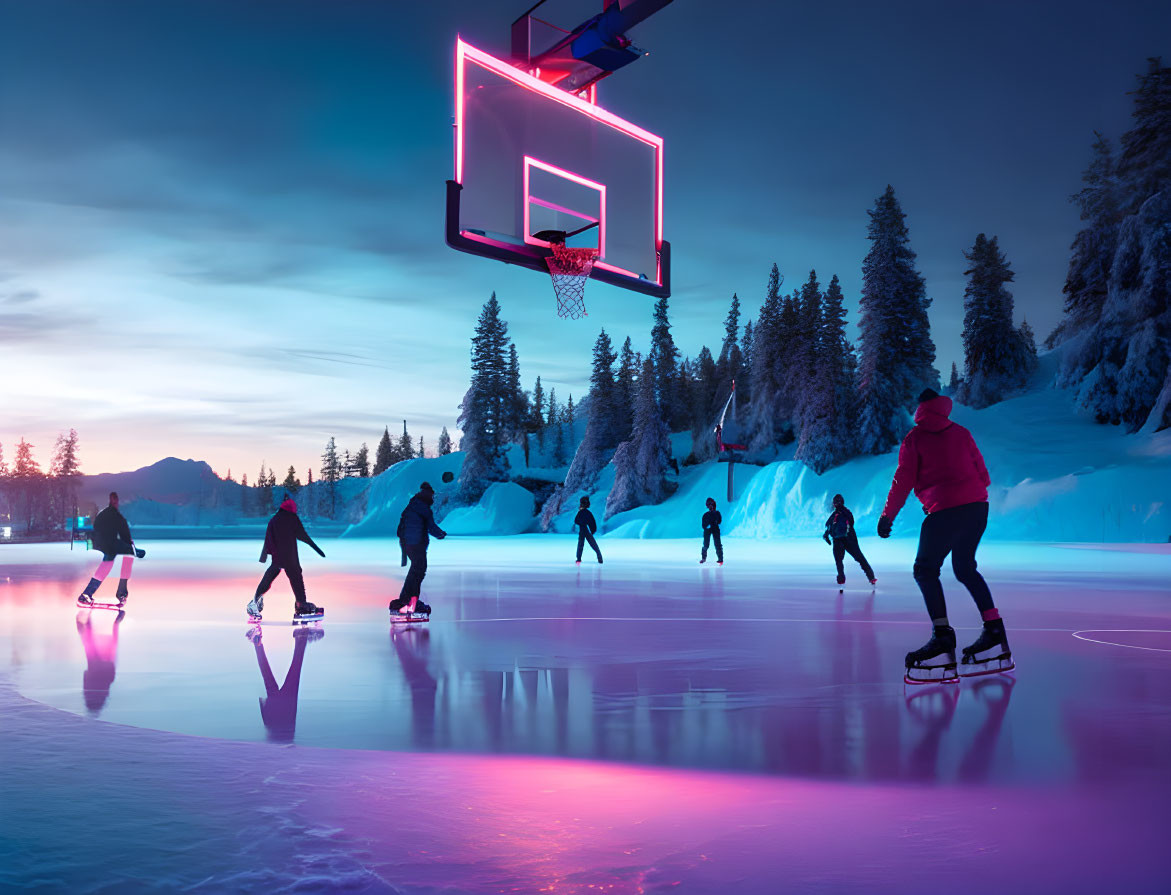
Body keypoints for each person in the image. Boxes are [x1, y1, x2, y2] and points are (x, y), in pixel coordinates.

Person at [878, 388, 1012, 682]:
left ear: (920, 409)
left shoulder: (915, 439)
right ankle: (994, 631)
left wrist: (887, 516)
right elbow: (984, 474)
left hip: (944, 512)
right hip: (977, 509)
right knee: (965, 568)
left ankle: (942, 638)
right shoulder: (962, 432)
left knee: (925, 571)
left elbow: (902, 481)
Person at [247, 496, 326, 621]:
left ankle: (254, 601)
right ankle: (301, 605)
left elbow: (268, 539)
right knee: (296, 577)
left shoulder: (274, 519)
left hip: (278, 556)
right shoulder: (292, 518)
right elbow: (303, 535)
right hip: (290, 556)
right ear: (292, 509)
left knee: (270, 576)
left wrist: (267, 555)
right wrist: (317, 548)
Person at [78, 492, 145, 607]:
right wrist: (133, 548)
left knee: (114, 561)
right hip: (106, 542)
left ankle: (89, 594)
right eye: (115, 501)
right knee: (123, 557)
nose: (117, 503)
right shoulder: (112, 515)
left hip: (105, 542)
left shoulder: (109, 514)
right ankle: (120, 593)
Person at [391, 482, 446, 617]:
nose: (433, 498)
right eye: (432, 495)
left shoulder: (413, 504)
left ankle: (405, 600)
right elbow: (431, 527)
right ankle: (411, 603)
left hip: (408, 544)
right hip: (417, 544)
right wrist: (441, 534)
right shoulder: (423, 508)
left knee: (415, 571)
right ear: (428, 494)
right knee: (418, 572)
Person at [823, 494, 876, 586]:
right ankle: (871, 577)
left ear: (834, 504)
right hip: (849, 539)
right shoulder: (847, 512)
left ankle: (841, 579)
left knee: (839, 560)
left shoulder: (834, 515)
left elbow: (828, 528)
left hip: (838, 540)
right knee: (860, 558)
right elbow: (851, 522)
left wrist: (827, 537)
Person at [574, 495, 602, 564]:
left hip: (584, 530)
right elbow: (592, 522)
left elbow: (576, 520)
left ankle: (579, 559)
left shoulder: (582, 512)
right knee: (592, 544)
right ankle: (599, 558)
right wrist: (592, 530)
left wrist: (583, 524)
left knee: (581, 544)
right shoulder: (587, 513)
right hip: (586, 530)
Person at [700, 497, 724, 564]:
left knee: (717, 544)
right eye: (709, 505)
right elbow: (703, 526)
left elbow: (719, 521)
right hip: (708, 530)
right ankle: (704, 558)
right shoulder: (705, 515)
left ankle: (720, 558)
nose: (710, 506)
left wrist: (714, 522)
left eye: (711, 505)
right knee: (706, 544)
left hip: (715, 529)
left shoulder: (717, 513)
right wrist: (708, 525)